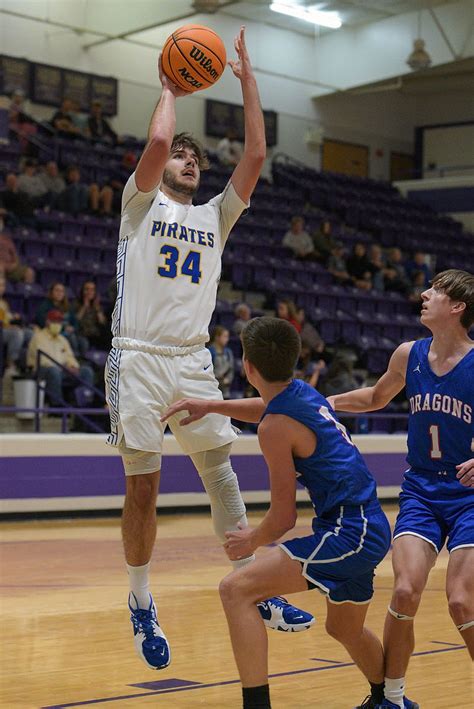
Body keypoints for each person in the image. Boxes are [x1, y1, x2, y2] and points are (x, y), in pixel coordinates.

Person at [104, 26, 313, 673]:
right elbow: (161, 138)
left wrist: (247, 78)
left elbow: (254, 151)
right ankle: (140, 599)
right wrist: (169, 84)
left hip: (192, 355)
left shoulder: (216, 216)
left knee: (221, 473)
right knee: (145, 488)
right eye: (182, 156)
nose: (189, 159)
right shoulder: (137, 205)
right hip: (137, 355)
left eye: (197, 157)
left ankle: (253, 586)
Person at [161, 316, 392, 709]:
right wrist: (212, 406)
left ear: (247, 366)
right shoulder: (301, 393)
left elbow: (283, 517)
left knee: (235, 590)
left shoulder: (274, 428)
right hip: (368, 526)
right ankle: (388, 698)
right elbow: (267, 408)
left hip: (349, 533)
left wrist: (249, 541)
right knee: (344, 628)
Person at [328, 269, 474, 708]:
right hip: (422, 491)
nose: (424, 294)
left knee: (461, 602)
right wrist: (322, 403)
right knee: (406, 591)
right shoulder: (408, 354)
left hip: (469, 497)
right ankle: (390, 698)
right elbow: (374, 398)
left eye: (436, 290)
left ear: (458, 307)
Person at [27, 309, 94, 405]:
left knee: (86, 371)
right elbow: (43, 361)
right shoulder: (38, 337)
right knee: (53, 371)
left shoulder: (62, 340)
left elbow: (70, 357)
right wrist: (63, 368)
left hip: (62, 370)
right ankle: (57, 406)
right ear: (48, 322)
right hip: (41, 371)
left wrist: (73, 366)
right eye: (55, 321)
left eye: (59, 322)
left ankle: (84, 403)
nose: (57, 324)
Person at [73, 280, 111, 351]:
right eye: (87, 289)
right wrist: (84, 307)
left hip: (95, 334)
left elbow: (102, 322)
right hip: (82, 333)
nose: (89, 292)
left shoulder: (96, 306)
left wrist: (98, 309)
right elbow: (75, 320)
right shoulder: (76, 304)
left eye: (92, 290)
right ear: (82, 291)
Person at [0, 273, 24, 377]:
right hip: (2, 331)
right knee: (16, 333)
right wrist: (11, 326)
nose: (2, 288)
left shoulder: (4, 303)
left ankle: (27, 367)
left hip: (6, 329)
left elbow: (6, 319)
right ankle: (11, 365)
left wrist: (14, 318)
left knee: (29, 333)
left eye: (3, 285)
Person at [208, 326, 235, 399]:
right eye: (225, 336)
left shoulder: (228, 352)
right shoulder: (209, 352)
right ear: (217, 337)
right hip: (212, 388)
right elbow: (207, 371)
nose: (227, 339)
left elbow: (231, 369)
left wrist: (228, 379)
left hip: (225, 389)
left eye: (228, 337)